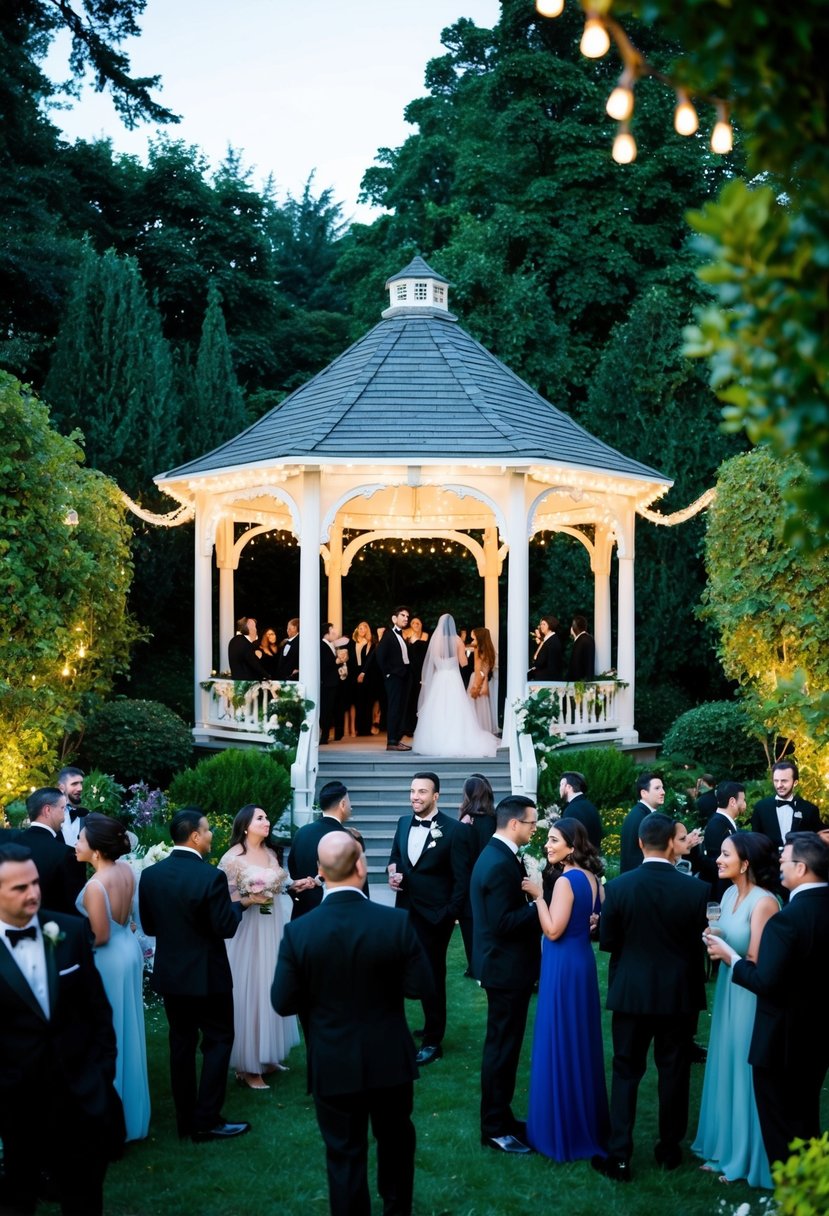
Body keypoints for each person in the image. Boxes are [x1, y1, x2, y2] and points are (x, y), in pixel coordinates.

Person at [272, 833, 432, 1216]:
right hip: (389, 1057)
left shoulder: (299, 932)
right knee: (395, 1144)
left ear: (321, 873)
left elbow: (283, 1001)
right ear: (360, 867)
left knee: (344, 1154)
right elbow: (419, 986)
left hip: (332, 1058)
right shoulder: (395, 922)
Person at [0, 842, 124, 1216]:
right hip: (16, 1107)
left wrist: (100, 1077)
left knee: (85, 1199)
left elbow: (99, 1014)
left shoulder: (69, 931)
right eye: (19, 888)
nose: (33, 893)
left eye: (35, 883)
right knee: (17, 1202)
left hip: (81, 1100)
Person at [594, 812, 708, 1182]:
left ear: (640, 843)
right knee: (673, 1071)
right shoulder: (695, 890)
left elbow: (608, 942)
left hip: (632, 994)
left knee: (626, 1071)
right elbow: (697, 946)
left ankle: (620, 1155)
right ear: (673, 845)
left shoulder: (621, 887)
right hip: (677, 995)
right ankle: (669, 1149)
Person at [705, 831, 829, 1171]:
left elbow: (766, 981)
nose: (779, 866)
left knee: (781, 1122)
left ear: (801, 869)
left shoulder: (786, 918)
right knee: (805, 1117)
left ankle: (791, 1194)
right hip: (818, 1032)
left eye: (785, 861)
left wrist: (731, 957)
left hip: (782, 1035)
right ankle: (810, 1191)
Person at [138, 807, 250, 1142]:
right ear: (195, 836)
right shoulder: (210, 877)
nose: (212, 835)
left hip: (172, 975)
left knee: (181, 1045)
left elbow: (149, 926)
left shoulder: (152, 875)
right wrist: (239, 905)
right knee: (217, 1042)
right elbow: (225, 927)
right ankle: (207, 1120)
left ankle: (185, 1120)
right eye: (208, 830)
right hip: (208, 976)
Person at [692, 831, 780, 1187]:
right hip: (729, 990)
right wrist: (711, 940)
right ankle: (724, 1146)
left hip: (751, 996)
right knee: (725, 1062)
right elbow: (726, 938)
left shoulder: (765, 903)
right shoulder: (727, 894)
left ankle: (745, 1154)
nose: (718, 858)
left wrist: (726, 953)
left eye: (725, 854)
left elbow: (758, 961)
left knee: (745, 1069)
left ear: (745, 863)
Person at [522, 819, 609, 1161]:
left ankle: (560, 1130)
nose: (547, 844)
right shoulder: (593, 879)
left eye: (554, 840)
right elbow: (598, 917)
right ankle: (585, 1119)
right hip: (581, 962)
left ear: (572, 846)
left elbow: (553, 930)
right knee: (580, 1040)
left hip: (561, 964)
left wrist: (539, 898)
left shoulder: (564, 881)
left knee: (559, 1038)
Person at [470, 795, 541, 1154]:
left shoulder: (498, 855)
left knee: (505, 1048)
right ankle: (494, 1128)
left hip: (503, 967)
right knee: (501, 1050)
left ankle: (503, 1117)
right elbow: (502, 923)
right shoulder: (499, 864)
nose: (534, 829)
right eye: (531, 823)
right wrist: (538, 904)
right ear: (514, 824)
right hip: (505, 969)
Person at [75, 812, 151, 1141]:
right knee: (128, 1027)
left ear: (94, 850)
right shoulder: (127, 870)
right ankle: (131, 1115)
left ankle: (109, 1119)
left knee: (109, 1032)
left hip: (107, 957)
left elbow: (100, 935)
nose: (75, 844)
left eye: (80, 839)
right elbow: (132, 919)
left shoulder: (95, 885)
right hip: (129, 949)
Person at [218, 804, 304, 1090]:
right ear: (245, 826)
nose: (267, 822)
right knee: (249, 989)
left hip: (272, 928)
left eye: (267, 817)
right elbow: (225, 902)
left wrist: (295, 884)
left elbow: (280, 883)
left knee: (270, 984)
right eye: (261, 818)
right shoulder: (232, 858)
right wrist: (249, 899)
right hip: (247, 933)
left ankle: (267, 1056)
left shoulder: (269, 853)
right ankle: (248, 1065)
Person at [387, 772, 469, 1066]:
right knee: (401, 969)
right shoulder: (402, 822)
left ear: (436, 796)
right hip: (405, 910)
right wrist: (392, 873)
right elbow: (396, 856)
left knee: (432, 975)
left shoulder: (455, 830)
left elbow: (462, 880)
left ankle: (433, 1041)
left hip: (436, 916)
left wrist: (448, 914)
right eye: (412, 791)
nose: (415, 797)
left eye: (422, 792)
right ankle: (417, 1025)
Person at [412, 614, 498, 757]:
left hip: (439, 679)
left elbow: (432, 664)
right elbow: (463, 663)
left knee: (437, 709)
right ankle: (456, 739)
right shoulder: (457, 641)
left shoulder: (435, 641)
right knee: (456, 709)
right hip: (453, 678)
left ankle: (435, 742)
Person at [288, 781, 368, 919]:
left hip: (303, 914)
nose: (351, 806)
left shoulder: (302, 832)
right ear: (342, 804)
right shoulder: (348, 838)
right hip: (337, 915)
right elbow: (359, 883)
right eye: (349, 801)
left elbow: (293, 871)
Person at [456, 774, 497, 974]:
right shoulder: (494, 819)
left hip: (469, 879)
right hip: (487, 878)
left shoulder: (467, 821)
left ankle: (475, 965)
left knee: (470, 923)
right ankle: (481, 963)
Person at [20, 787, 77, 915]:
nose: (65, 816)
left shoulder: (11, 843)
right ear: (47, 810)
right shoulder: (65, 853)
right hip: (55, 928)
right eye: (63, 808)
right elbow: (72, 906)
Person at [751, 760, 821, 848]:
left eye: (784, 781)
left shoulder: (809, 810)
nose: (779, 785)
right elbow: (755, 842)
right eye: (776, 781)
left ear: (795, 783)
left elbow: (815, 844)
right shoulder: (760, 807)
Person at [697, 781, 746, 900]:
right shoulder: (717, 825)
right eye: (743, 800)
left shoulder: (722, 822)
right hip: (721, 893)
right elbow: (715, 864)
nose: (745, 804)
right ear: (732, 802)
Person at [375, 605, 412, 751]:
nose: (406, 618)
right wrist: (388, 673)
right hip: (394, 677)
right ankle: (391, 741)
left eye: (407, 616)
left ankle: (396, 739)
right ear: (394, 618)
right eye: (403, 615)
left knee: (401, 708)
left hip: (404, 677)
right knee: (394, 708)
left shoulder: (401, 635)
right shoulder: (388, 634)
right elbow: (379, 655)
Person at [619, 772, 666, 872]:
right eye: (657, 788)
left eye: (662, 788)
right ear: (644, 793)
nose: (663, 792)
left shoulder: (638, 813)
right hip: (640, 878)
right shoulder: (645, 818)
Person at [57, 765, 89, 901]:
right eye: (74, 783)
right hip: (55, 888)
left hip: (80, 888)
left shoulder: (86, 816)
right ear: (61, 788)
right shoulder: (49, 815)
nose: (80, 788)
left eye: (81, 783)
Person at [559, 770, 603, 849]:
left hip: (579, 858)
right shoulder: (591, 807)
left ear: (569, 787)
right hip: (594, 858)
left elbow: (569, 840)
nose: (560, 789)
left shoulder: (571, 810)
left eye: (561, 784)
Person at [352, 621, 380, 736]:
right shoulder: (352, 642)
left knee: (368, 702)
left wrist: (363, 673)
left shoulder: (370, 643)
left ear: (367, 630)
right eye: (360, 628)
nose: (362, 630)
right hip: (354, 673)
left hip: (367, 674)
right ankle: (358, 729)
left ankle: (366, 729)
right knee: (358, 702)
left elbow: (371, 661)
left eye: (364, 628)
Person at [403, 616, 430, 736]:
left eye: (418, 623)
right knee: (410, 697)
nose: (415, 624)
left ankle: (421, 726)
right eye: (413, 622)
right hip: (410, 670)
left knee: (421, 697)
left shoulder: (425, 636)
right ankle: (409, 727)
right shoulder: (406, 636)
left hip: (421, 670)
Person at [467, 626, 497, 732]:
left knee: (475, 708)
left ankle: (475, 731)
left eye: (474, 638)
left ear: (479, 638)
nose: (472, 641)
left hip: (477, 679)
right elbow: (485, 671)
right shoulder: (488, 650)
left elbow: (479, 670)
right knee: (482, 708)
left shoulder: (478, 650)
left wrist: (476, 685)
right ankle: (482, 730)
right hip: (483, 680)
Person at [319, 622, 342, 744]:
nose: (334, 633)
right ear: (326, 633)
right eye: (332, 630)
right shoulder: (322, 645)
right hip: (326, 682)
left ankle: (330, 733)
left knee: (330, 708)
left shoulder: (331, 645)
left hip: (332, 682)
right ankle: (325, 735)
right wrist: (337, 661)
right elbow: (324, 664)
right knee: (326, 709)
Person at [228, 615, 271, 679]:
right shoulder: (243, 642)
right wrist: (268, 676)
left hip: (238, 682)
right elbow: (253, 664)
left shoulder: (236, 640)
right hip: (246, 684)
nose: (256, 630)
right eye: (255, 627)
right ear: (249, 628)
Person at [527, 614, 563, 680]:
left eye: (544, 624)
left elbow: (541, 662)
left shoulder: (552, 641)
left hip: (548, 679)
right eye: (541, 624)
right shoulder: (549, 640)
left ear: (550, 625)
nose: (541, 626)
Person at [568, 614, 596, 680]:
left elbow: (576, 664)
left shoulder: (580, 641)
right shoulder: (589, 638)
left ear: (574, 627)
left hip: (579, 682)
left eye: (572, 625)